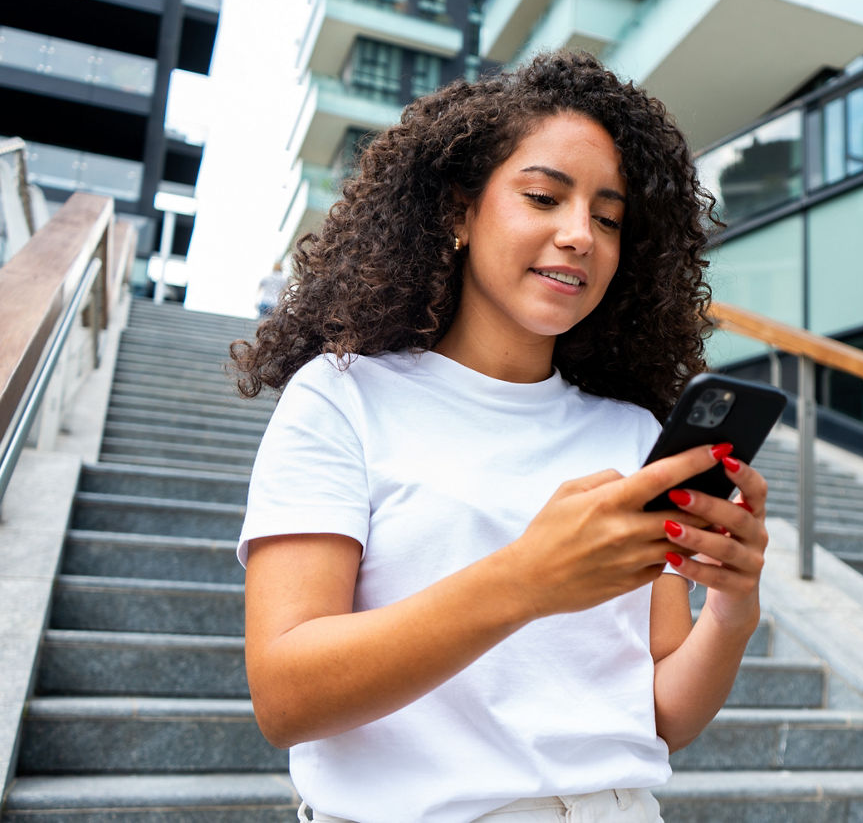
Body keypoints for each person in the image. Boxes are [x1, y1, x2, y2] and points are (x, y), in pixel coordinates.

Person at [230, 51, 769, 823]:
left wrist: (731, 612)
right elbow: (286, 696)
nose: (580, 235)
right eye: (545, 197)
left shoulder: (634, 434)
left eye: (609, 218)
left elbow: (660, 716)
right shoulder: (344, 397)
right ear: (458, 211)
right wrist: (526, 580)